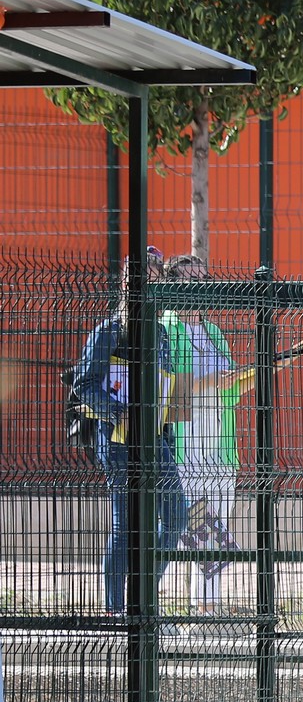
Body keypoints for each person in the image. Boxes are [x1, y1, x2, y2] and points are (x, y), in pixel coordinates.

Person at [73, 250, 191, 618]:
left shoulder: (159, 333)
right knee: (124, 528)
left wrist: (169, 440)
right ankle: (114, 610)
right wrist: (114, 408)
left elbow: (167, 389)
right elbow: (84, 385)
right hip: (118, 442)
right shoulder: (107, 332)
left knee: (175, 518)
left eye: (157, 277)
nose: (153, 283)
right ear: (128, 283)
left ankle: (143, 597)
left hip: (155, 443)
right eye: (146, 277)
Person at [162, 253, 249, 616]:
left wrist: (247, 378)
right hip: (185, 447)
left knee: (218, 526)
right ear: (174, 285)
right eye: (189, 279)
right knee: (187, 525)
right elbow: (166, 386)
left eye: (202, 278)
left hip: (220, 446)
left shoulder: (212, 332)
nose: (198, 286)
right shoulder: (166, 326)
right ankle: (154, 598)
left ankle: (207, 605)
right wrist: (210, 382)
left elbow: (230, 388)